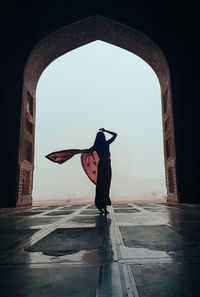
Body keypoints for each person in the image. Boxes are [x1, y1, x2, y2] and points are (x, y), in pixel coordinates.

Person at [86, 128, 117, 214]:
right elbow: (115, 135)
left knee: (101, 186)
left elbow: (87, 151)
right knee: (105, 186)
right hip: (106, 165)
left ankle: (101, 206)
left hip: (102, 166)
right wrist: (106, 130)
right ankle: (103, 206)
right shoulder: (106, 143)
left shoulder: (96, 146)